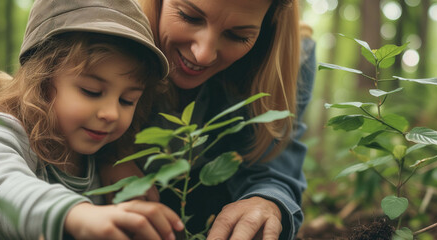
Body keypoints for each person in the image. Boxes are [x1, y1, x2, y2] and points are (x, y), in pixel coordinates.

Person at [0, 0, 184, 239]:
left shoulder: (101, 159)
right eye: (91, 91)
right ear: (41, 79)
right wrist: (76, 215)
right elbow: (2, 189)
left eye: (128, 100)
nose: (112, 113)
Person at [102, 0, 317, 239]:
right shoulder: (104, 25)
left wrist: (266, 202)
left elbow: (275, 164)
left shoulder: (292, 57)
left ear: (267, 26)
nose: (203, 55)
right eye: (189, 17)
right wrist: (108, 155)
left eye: (237, 36)